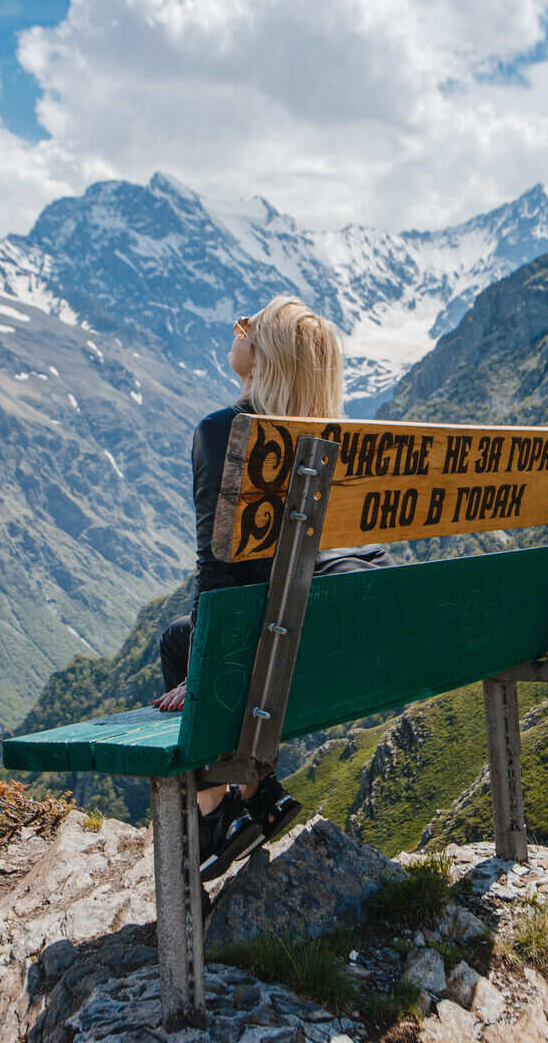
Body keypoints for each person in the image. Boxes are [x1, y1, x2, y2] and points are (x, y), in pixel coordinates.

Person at [151, 295, 388, 881]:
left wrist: (202, 667)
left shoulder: (225, 433)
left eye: (247, 325)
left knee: (183, 646)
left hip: (281, 653)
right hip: (346, 647)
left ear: (267, 356)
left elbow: (220, 569)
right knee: (185, 639)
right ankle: (259, 794)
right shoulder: (338, 440)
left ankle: (218, 806)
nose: (237, 330)